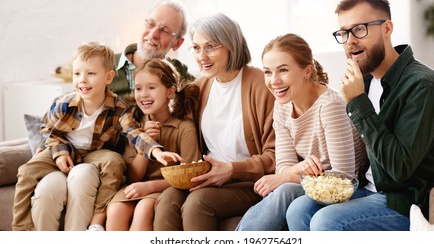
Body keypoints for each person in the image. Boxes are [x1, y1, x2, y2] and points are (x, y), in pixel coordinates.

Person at [286, 0, 434, 231]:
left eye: (360, 29)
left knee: (326, 220)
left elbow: (400, 167)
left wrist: (357, 102)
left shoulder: (422, 85)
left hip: (405, 200)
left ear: (387, 28)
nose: (350, 40)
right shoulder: (363, 80)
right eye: (343, 33)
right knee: (299, 208)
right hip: (367, 189)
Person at [12, 42, 181, 231]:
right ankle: (20, 230)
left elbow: (134, 132)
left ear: (109, 77)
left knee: (115, 162)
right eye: (77, 74)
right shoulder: (63, 103)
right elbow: (48, 129)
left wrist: (156, 151)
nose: (82, 80)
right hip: (65, 148)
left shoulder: (118, 108)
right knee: (26, 171)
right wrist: (59, 152)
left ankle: (97, 221)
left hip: (95, 153)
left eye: (91, 74)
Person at [153, 13, 276, 231]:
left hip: (250, 182)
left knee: (197, 204)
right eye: (196, 48)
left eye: (210, 47)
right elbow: (178, 126)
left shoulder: (261, 84)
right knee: (168, 199)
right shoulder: (200, 87)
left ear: (231, 45)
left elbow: (274, 157)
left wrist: (231, 169)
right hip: (209, 176)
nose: (202, 56)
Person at [236, 33, 368, 231]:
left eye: (283, 70)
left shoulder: (329, 105)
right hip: (317, 185)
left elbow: (344, 178)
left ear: (307, 71)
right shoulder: (282, 105)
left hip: (352, 190)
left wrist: (287, 176)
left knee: (285, 191)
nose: (274, 81)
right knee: (285, 189)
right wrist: (294, 171)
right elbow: (284, 167)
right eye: (268, 72)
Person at [105, 59, 201, 231]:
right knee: (115, 210)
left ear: (170, 92)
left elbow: (190, 177)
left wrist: (149, 187)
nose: (143, 94)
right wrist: (146, 147)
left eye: (151, 87)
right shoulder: (134, 124)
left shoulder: (184, 127)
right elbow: (133, 177)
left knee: (143, 210)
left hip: (166, 187)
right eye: (139, 88)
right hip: (137, 185)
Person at [110, 0, 195, 100]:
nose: (153, 34)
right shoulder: (103, 65)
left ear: (177, 43)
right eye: (150, 24)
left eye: (165, 30)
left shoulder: (180, 75)